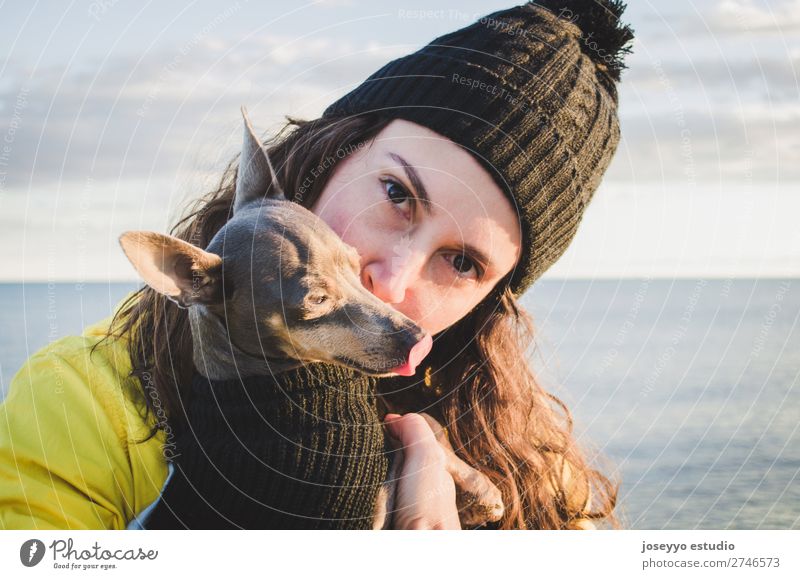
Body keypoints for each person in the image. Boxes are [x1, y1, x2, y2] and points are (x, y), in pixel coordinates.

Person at [0, 0, 634, 530]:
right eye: (396, 195)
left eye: (462, 262)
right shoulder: (81, 402)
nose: (389, 279)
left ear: (491, 298)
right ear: (329, 153)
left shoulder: (528, 462)